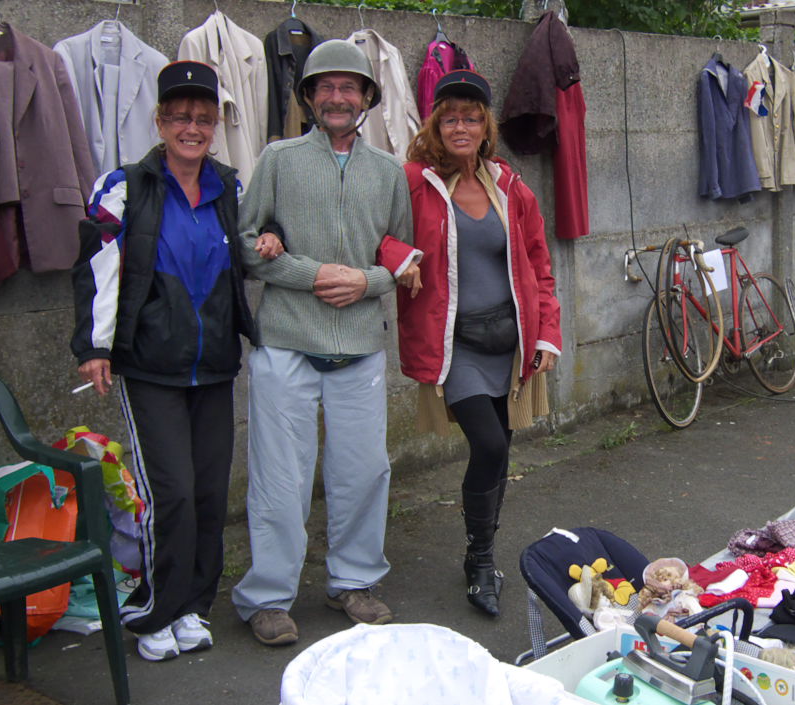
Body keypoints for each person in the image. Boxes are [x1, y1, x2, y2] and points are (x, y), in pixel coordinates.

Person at [231, 39, 420, 647]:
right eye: (325, 87)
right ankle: (266, 597)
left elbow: (406, 258)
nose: (337, 98)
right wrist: (310, 275)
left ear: (367, 98)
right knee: (280, 480)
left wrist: (366, 280)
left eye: (350, 87)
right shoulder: (279, 159)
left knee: (364, 473)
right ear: (309, 97)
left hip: (360, 347)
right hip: (286, 341)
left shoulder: (389, 172)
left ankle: (354, 582)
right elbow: (245, 243)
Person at [71, 60, 258, 662]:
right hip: (151, 363)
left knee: (208, 494)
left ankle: (193, 607)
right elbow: (98, 268)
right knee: (170, 493)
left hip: (215, 364)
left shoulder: (231, 186)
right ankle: (155, 609)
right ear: (159, 121)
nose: (192, 126)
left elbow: (255, 241)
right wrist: (95, 346)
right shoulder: (125, 185)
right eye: (180, 116)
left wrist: (273, 237)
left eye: (203, 118)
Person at [392, 69, 562, 617]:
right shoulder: (413, 181)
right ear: (435, 125)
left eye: (470, 117)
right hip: (456, 344)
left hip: (510, 343)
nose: (460, 126)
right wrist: (399, 258)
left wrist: (548, 334)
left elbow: (539, 262)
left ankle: (483, 555)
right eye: (450, 118)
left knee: (503, 449)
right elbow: (378, 232)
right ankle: (481, 558)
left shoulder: (509, 185)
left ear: (485, 124)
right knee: (488, 446)